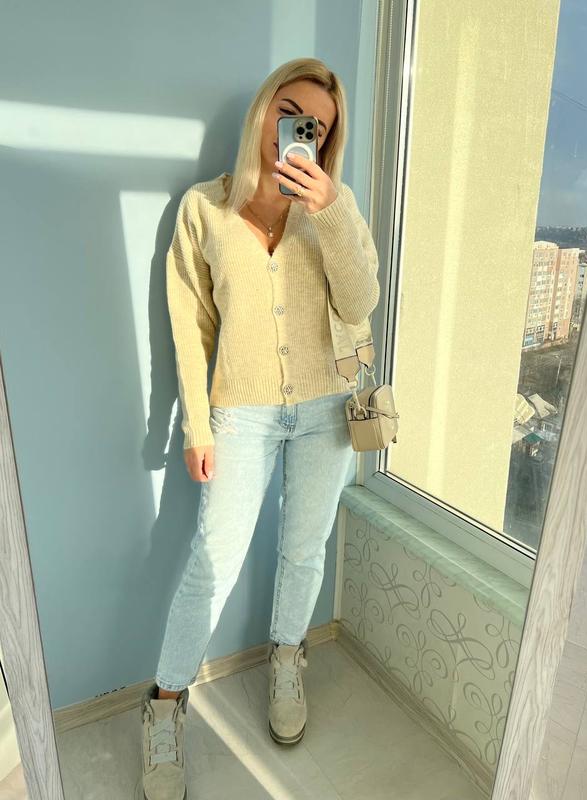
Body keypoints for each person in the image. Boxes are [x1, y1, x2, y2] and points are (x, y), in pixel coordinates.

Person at [140, 56, 380, 800]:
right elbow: (190, 326)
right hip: (240, 411)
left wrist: (330, 211)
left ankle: (286, 658)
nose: (303, 131)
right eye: (292, 111)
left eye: (319, 127)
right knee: (212, 560)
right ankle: (165, 705)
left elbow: (361, 301)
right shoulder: (203, 209)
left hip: (327, 406)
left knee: (305, 549)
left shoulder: (333, 206)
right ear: (265, 110)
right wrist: (195, 425)